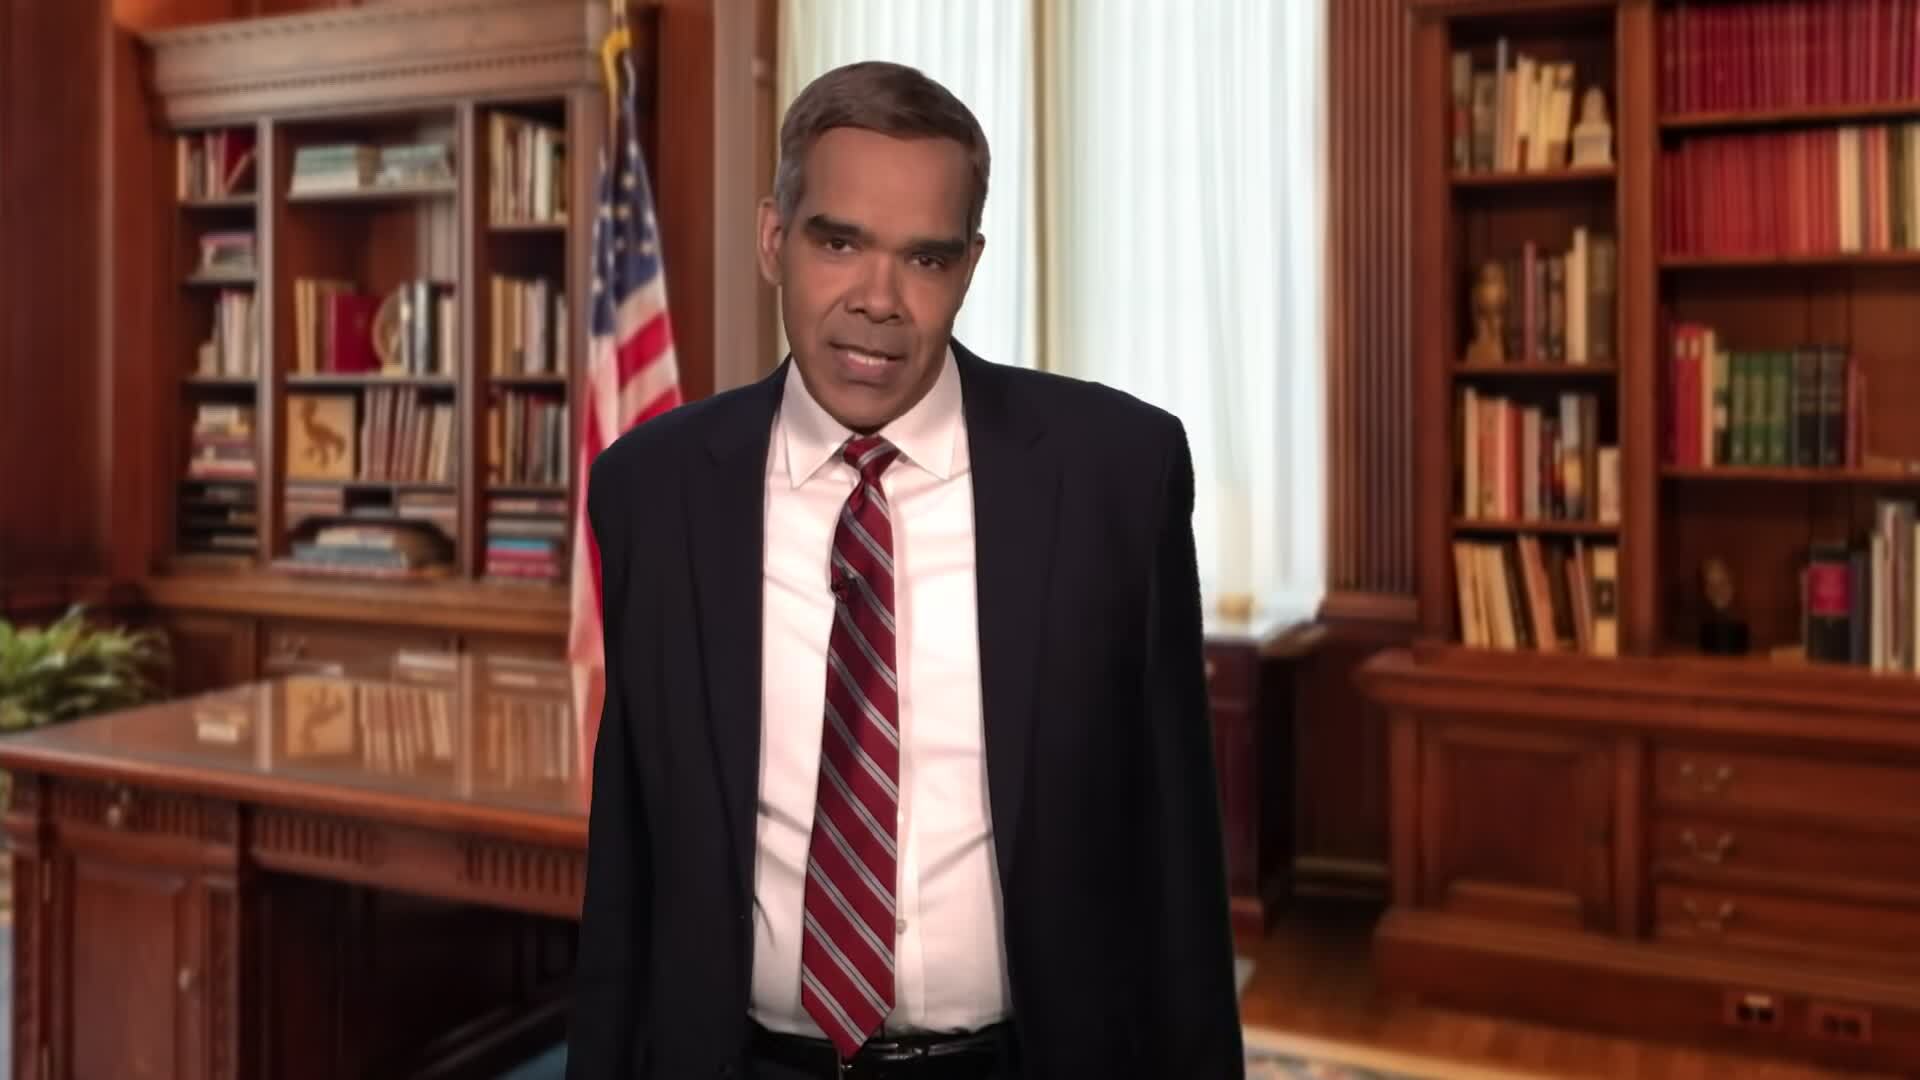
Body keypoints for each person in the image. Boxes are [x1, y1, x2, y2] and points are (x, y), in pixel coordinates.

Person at [565, 59, 1243, 1080]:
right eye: (838, 243)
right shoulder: (652, 492)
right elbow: (629, 865)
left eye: (924, 259)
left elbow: (1179, 866)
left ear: (968, 269)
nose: (877, 301)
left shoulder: (1118, 475)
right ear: (773, 240)